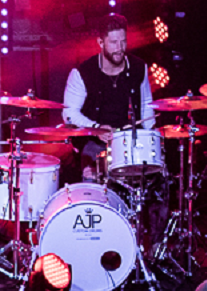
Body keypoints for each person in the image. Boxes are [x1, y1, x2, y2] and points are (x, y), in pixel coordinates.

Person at [61, 13, 155, 179]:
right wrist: (96, 128)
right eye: (113, 42)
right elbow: (69, 113)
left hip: (129, 141)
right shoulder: (82, 73)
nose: (120, 48)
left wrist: (151, 140)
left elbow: (147, 104)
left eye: (123, 41)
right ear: (100, 42)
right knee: (94, 163)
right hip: (95, 143)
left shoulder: (139, 68)